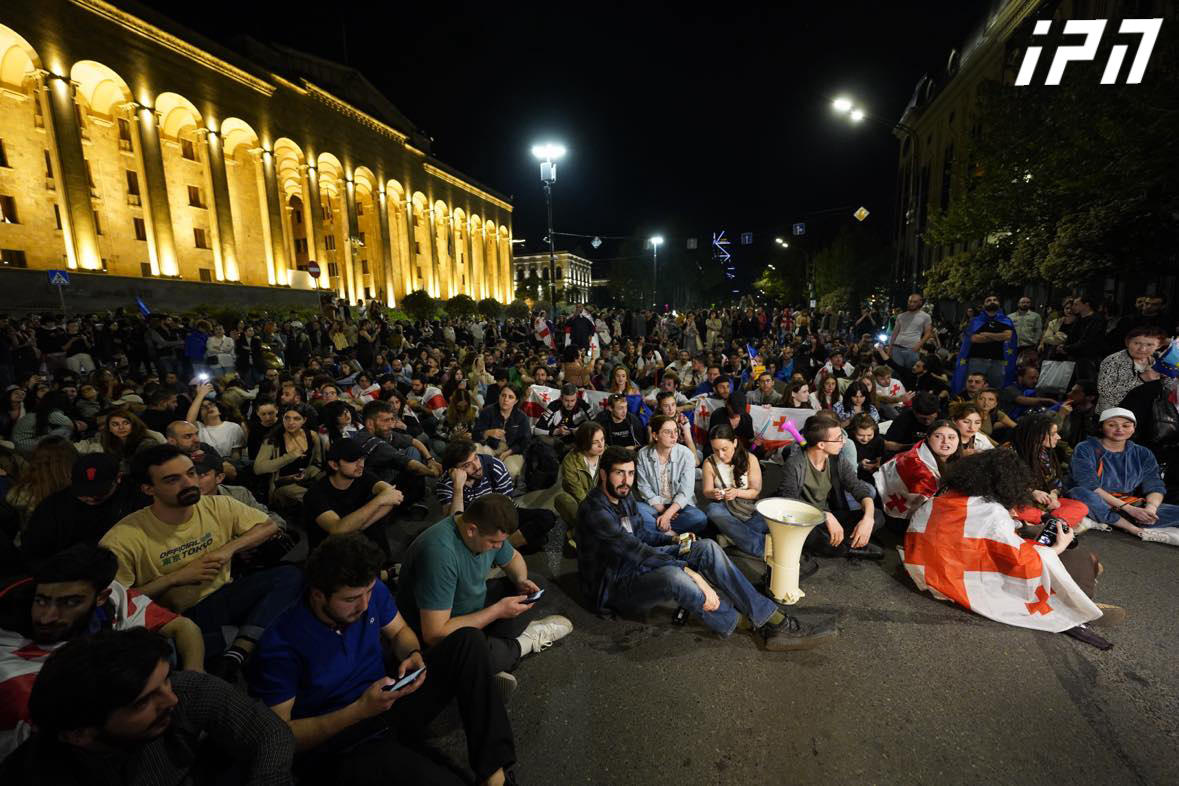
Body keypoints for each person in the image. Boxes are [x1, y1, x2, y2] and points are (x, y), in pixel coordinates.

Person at [248, 534, 517, 785]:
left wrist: (411, 654)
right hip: (342, 740)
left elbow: (400, 631)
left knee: (468, 640)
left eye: (368, 592)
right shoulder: (281, 644)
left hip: (386, 699)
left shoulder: (370, 592)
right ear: (318, 595)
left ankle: (494, 775)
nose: (364, 605)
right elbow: (279, 737)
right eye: (351, 599)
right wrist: (360, 710)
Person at [576, 446, 837, 650]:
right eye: (619, 473)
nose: (626, 480)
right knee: (675, 577)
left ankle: (769, 617)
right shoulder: (594, 511)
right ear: (603, 474)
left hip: (635, 565)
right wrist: (692, 574)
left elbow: (643, 535)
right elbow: (636, 550)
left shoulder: (624, 498)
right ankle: (743, 622)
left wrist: (675, 540)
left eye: (631, 473)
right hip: (613, 586)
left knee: (707, 547)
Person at [99, 444, 302, 681]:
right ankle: (241, 640)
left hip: (222, 595)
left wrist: (228, 550)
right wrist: (176, 578)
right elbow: (113, 605)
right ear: (148, 489)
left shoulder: (218, 505)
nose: (189, 483)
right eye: (172, 480)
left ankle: (238, 648)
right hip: (174, 617)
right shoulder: (123, 537)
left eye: (191, 473)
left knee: (291, 576)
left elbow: (269, 525)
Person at [1, 627, 294, 785]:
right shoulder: (35, 774)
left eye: (166, 680)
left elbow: (270, 734)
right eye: (143, 702)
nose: (171, 699)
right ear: (80, 734)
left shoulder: (177, 690)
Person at [0, 544, 205, 761]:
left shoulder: (113, 598)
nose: (46, 617)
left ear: (101, 597)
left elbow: (183, 628)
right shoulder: (13, 671)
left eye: (70, 602)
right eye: (41, 600)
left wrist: (195, 675)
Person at [901, 451, 1121, 638]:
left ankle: (1085, 581)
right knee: (1071, 553)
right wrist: (1056, 549)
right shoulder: (991, 512)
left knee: (1040, 538)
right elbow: (1021, 561)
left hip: (925, 566)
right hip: (958, 577)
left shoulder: (944, 498)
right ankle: (1079, 602)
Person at [398, 494, 571, 681]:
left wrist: (520, 580)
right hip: (435, 632)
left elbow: (513, 558)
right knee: (473, 657)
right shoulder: (439, 555)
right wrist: (497, 611)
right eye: (493, 542)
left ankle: (493, 653)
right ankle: (522, 642)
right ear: (472, 530)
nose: (498, 547)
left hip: (466, 605)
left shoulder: (482, 531)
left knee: (536, 584)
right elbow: (434, 635)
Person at [778, 414, 883, 559]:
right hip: (806, 519)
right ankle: (850, 546)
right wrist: (825, 515)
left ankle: (839, 543)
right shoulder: (795, 464)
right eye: (839, 438)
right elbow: (789, 502)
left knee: (877, 515)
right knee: (810, 535)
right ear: (821, 444)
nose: (843, 442)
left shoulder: (837, 460)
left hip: (830, 516)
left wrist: (868, 519)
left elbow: (857, 487)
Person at [1066, 408, 1179, 541]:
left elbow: (1155, 485)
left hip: (1130, 504)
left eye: (1126, 425)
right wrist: (1129, 509)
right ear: (1101, 427)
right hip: (1099, 500)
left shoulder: (1142, 453)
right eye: (1112, 425)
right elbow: (1089, 486)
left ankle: (1117, 519)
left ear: (1133, 429)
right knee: (1080, 493)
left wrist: (1150, 509)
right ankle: (1130, 526)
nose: (1120, 429)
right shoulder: (1085, 448)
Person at [19, 453, 144, 566]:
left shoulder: (135, 496)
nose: (90, 497)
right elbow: (34, 553)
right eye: (82, 492)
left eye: (99, 492)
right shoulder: (53, 507)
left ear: (118, 478)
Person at [435, 439, 555, 553]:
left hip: (501, 513)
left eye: (476, 458)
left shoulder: (494, 466)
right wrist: (458, 487)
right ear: (454, 470)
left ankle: (495, 550)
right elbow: (452, 523)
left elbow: (506, 507)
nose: (477, 467)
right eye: (467, 465)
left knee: (546, 517)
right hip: (473, 525)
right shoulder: (446, 483)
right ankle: (503, 547)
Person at [1010, 414, 1089, 528]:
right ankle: (1054, 523)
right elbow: (1002, 485)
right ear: (1036, 435)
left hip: (1042, 505)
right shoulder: (1009, 453)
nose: (1058, 437)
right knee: (1016, 510)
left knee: (1081, 507)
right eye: (1052, 434)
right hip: (1019, 502)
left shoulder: (1042, 452)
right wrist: (1032, 492)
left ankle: (1047, 523)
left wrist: (1053, 495)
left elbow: (1055, 481)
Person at [701, 423, 767, 558]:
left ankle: (729, 538)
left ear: (735, 442)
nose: (720, 454)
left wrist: (737, 492)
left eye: (724, 449)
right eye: (715, 450)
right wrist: (713, 493)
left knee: (769, 513)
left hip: (749, 508)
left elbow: (755, 492)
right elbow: (706, 491)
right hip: (726, 509)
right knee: (713, 510)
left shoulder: (750, 459)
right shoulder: (709, 463)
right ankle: (759, 546)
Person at [634, 414, 708, 536]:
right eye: (668, 432)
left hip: (680, 508)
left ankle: (656, 532)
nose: (674, 436)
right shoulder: (643, 454)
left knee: (699, 518)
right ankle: (671, 534)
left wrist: (668, 514)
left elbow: (686, 492)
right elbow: (644, 487)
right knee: (636, 508)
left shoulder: (686, 454)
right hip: (656, 506)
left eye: (675, 431)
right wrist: (664, 512)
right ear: (655, 435)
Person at [875, 420, 963, 521]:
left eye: (951, 437)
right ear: (928, 438)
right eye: (938, 436)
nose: (945, 441)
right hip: (906, 520)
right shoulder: (915, 463)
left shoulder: (959, 461)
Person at [253, 405, 325, 508]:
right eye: (287, 418)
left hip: (306, 480)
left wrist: (307, 473)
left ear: (304, 420)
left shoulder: (312, 435)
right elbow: (258, 468)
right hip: (282, 484)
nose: (291, 422)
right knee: (311, 497)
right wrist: (290, 456)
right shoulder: (273, 439)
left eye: (296, 419)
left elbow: (317, 463)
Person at [1097, 327, 1174, 413]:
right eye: (1137, 343)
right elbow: (1106, 393)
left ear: (1158, 346)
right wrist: (1141, 379)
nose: (1142, 349)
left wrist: (1167, 377)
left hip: (1147, 413)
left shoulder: (1159, 360)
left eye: (1150, 345)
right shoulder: (1113, 361)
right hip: (1117, 416)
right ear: (1127, 343)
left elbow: (1170, 390)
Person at [952, 294, 1016, 392]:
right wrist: (998, 336)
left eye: (995, 300)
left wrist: (986, 334)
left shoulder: (1005, 320)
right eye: (989, 300)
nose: (992, 301)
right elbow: (974, 338)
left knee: (995, 389)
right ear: (984, 305)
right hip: (977, 359)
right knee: (974, 388)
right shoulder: (976, 321)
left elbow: (1008, 336)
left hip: (997, 360)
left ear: (999, 304)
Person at [554, 421, 607, 536]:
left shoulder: (608, 455)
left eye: (602, 440)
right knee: (562, 499)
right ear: (584, 443)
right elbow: (579, 494)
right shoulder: (570, 461)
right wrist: (595, 513)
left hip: (604, 501)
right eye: (595, 442)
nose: (601, 445)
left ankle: (580, 533)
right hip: (582, 503)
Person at [472, 385, 531, 480]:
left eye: (510, 397)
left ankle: (503, 491)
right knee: (475, 449)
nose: (505, 399)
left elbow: (525, 442)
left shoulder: (522, 417)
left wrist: (508, 452)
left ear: (516, 401)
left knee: (511, 471)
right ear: (499, 396)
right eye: (503, 395)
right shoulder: (487, 411)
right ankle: (481, 485)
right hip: (490, 447)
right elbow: (475, 435)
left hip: (511, 451)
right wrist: (487, 433)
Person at [533, 382, 591, 456]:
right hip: (557, 443)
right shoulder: (554, 406)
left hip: (577, 443)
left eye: (573, 400)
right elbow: (536, 431)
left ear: (577, 397)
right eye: (566, 400)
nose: (569, 404)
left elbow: (597, 427)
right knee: (540, 440)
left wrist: (579, 431)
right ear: (561, 398)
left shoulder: (584, 406)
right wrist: (556, 432)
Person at [888, 293, 932, 370]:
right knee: (896, 373)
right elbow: (894, 333)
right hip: (897, 347)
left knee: (910, 373)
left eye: (914, 302)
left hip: (912, 349)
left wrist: (919, 345)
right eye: (910, 301)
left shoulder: (926, 317)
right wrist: (890, 347)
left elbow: (928, 333)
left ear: (920, 302)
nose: (911, 304)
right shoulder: (901, 316)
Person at [850, 413, 886, 486]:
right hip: (855, 478)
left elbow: (881, 457)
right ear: (853, 432)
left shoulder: (879, 440)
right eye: (860, 435)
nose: (865, 439)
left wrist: (878, 464)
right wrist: (859, 465)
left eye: (869, 435)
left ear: (874, 431)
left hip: (875, 476)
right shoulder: (848, 443)